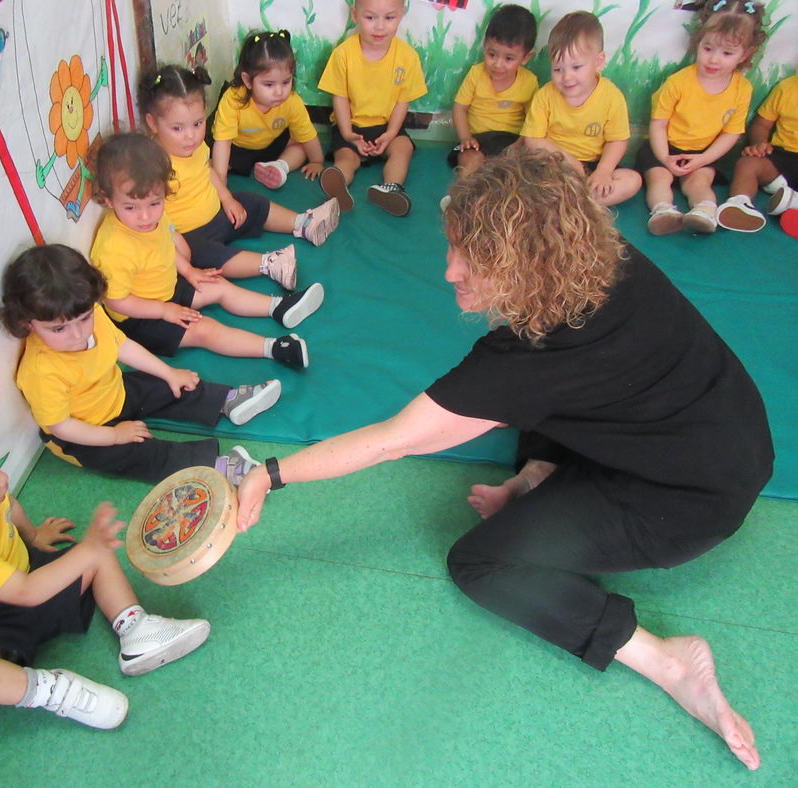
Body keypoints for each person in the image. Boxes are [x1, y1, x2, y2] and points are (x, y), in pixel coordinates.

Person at [236, 148, 772, 771]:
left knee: (482, 561)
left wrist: (269, 475)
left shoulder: (527, 364)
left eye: (473, 256)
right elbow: (572, 389)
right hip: (731, 432)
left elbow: (393, 438)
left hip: (686, 503)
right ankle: (543, 477)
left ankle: (667, 659)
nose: (449, 270)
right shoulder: (603, 259)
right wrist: (537, 470)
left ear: (525, 262)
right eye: (455, 246)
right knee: (541, 407)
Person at [0, 412, 212, 729]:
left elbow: (12, 510)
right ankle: (53, 691)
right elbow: (26, 592)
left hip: (24, 579)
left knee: (90, 555)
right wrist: (89, 548)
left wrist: (35, 535)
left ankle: (136, 627)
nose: (3, 482)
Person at [0, 244, 274, 484]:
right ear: (27, 323)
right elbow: (62, 427)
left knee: (164, 385)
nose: (78, 334)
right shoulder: (40, 371)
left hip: (115, 391)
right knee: (144, 455)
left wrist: (169, 373)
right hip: (83, 437)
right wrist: (114, 436)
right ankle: (219, 466)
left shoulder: (88, 311)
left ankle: (227, 400)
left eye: (83, 319)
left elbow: (123, 346)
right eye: (59, 330)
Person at [91, 132, 321, 369]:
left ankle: (278, 307)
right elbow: (117, 301)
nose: (146, 216)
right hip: (142, 318)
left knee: (217, 285)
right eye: (131, 207)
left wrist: (189, 271)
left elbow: (164, 246)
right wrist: (163, 310)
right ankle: (275, 348)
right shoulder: (113, 248)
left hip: (166, 287)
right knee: (205, 329)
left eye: (155, 203)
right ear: (108, 200)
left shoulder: (148, 218)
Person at [140, 64, 339, 276]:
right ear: (152, 123)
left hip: (217, 214)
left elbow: (206, 171)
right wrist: (174, 240)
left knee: (250, 202)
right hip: (188, 235)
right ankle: (270, 264)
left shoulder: (194, 147)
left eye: (197, 123)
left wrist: (227, 199)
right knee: (208, 256)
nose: (191, 135)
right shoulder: (151, 164)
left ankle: (303, 223)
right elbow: (152, 215)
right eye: (177, 128)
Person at [637, 0, 763, 235]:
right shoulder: (679, 82)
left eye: (727, 53)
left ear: (744, 54)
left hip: (702, 153)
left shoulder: (741, 89)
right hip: (664, 148)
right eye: (708, 48)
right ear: (698, 42)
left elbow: (731, 133)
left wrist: (703, 159)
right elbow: (659, 123)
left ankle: (704, 211)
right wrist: (664, 157)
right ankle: (663, 211)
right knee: (659, 179)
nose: (714, 59)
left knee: (700, 183)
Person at [317, 0, 427, 216]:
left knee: (403, 148)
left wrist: (391, 133)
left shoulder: (407, 56)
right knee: (346, 158)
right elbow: (339, 98)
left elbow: (402, 101)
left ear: (402, 15)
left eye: (389, 17)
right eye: (370, 18)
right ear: (355, 15)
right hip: (351, 126)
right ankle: (338, 185)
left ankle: (391, 188)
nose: (379, 26)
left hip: (386, 127)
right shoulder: (343, 53)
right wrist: (348, 133)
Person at [521, 11, 641, 206]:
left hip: (594, 167)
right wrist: (567, 159)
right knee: (528, 178)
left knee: (632, 180)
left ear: (598, 62)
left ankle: (578, 201)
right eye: (558, 69)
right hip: (555, 163)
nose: (567, 77)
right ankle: (577, 202)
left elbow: (617, 140)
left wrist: (604, 170)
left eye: (576, 67)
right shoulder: (545, 96)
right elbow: (533, 139)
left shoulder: (612, 96)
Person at [211, 30, 325, 190]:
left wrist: (317, 161)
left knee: (301, 146)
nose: (279, 91)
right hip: (239, 148)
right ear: (248, 80)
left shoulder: (292, 101)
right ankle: (224, 170)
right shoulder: (233, 99)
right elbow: (223, 143)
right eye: (269, 84)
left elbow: (308, 135)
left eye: (286, 82)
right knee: (216, 162)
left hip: (271, 143)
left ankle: (280, 166)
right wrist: (221, 180)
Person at [449, 4, 538, 180]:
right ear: (484, 46)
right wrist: (465, 137)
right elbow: (459, 108)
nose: (497, 64)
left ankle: (504, 200)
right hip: (477, 141)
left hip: (511, 142)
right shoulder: (476, 73)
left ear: (526, 57)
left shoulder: (529, 82)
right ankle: (464, 195)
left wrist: (521, 143)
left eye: (509, 58)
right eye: (492, 54)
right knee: (468, 159)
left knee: (521, 169)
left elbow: (533, 119)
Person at [718, 71, 798, 236]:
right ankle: (740, 204)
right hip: (782, 157)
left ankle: (792, 201)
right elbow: (761, 125)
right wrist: (759, 144)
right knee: (747, 163)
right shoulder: (788, 87)